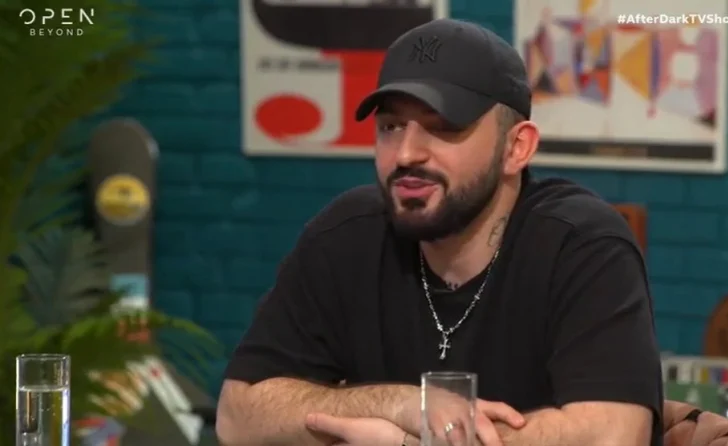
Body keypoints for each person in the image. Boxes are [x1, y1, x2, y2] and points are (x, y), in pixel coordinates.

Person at [216, 18, 665, 446]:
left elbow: (614, 436)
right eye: (391, 127)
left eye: (442, 127)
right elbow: (237, 419)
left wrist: (415, 441)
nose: (406, 154)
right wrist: (398, 404)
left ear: (516, 148)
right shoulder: (346, 236)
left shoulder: (580, 243)